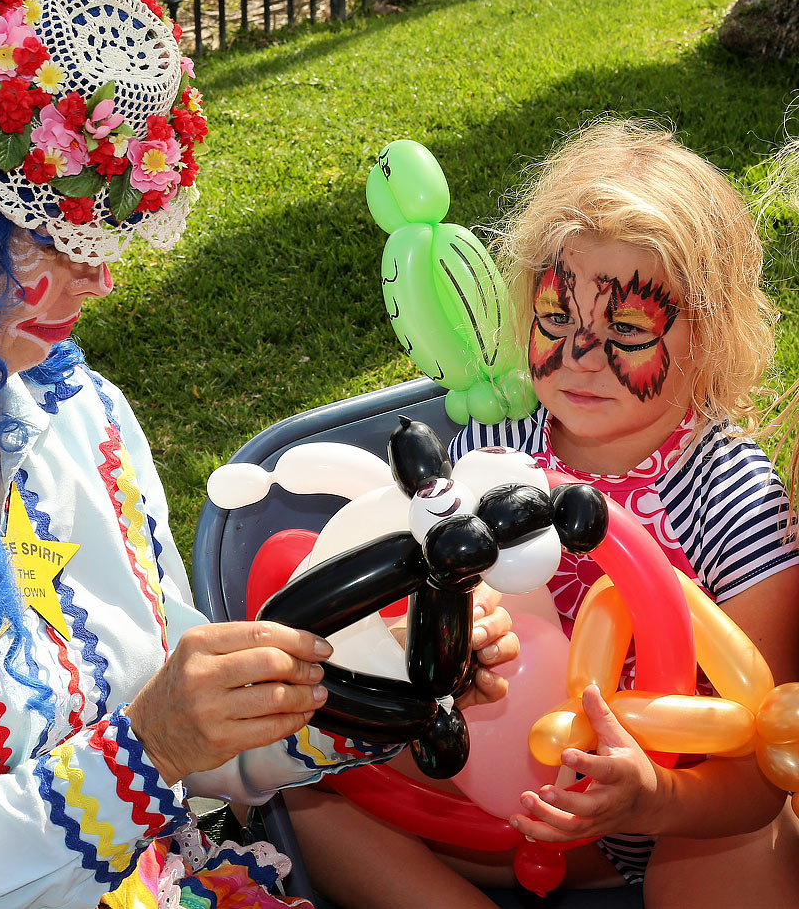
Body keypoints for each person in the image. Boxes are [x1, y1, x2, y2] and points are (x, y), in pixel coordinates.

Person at [0, 0, 519, 906]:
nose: (94, 280)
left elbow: (192, 727)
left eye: (105, 231)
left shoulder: (73, 410)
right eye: (38, 237)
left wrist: (389, 678)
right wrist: (140, 752)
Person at [286, 120, 799, 907]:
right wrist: (432, 632)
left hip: (668, 819)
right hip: (484, 803)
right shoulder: (495, 444)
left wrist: (658, 798)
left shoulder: (731, 489)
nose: (582, 356)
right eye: (557, 318)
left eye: (626, 328)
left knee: (744, 844)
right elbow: (402, 600)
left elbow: (765, 760)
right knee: (310, 794)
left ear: (714, 332)